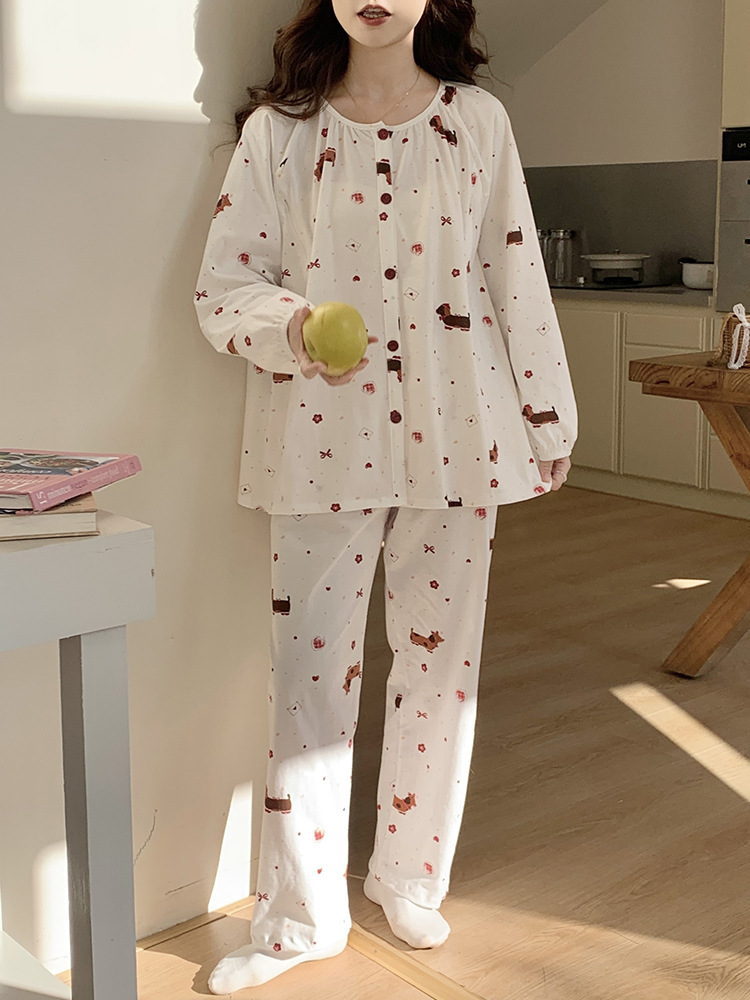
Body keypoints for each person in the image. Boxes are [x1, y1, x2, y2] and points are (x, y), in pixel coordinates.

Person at [194, 0, 577, 991]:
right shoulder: (280, 134)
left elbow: (515, 271)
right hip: (319, 436)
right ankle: (301, 918)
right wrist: (294, 324)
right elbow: (224, 284)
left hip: (459, 430)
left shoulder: (476, 121)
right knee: (308, 676)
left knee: (442, 665)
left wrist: (547, 416)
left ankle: (410, 875)